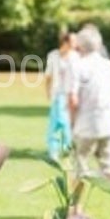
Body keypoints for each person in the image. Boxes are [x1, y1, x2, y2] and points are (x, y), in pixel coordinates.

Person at [69, 24, 110, 219]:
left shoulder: (77, 67)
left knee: (79, 168)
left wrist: (72, 122)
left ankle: (76, 209)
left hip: (85, 125)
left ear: (80, 46)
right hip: (108, 125)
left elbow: (73, 100)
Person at [44, 30, 79, 160]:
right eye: (73, 41)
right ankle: (54, 150)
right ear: (65, 42)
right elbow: (48, 76)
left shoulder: (75, 57)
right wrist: (48, 91)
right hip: (58, 94)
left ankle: (66, 148)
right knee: (57, 122)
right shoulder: (53, 55)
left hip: (71, 94)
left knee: (67, 122)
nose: (76, 43)